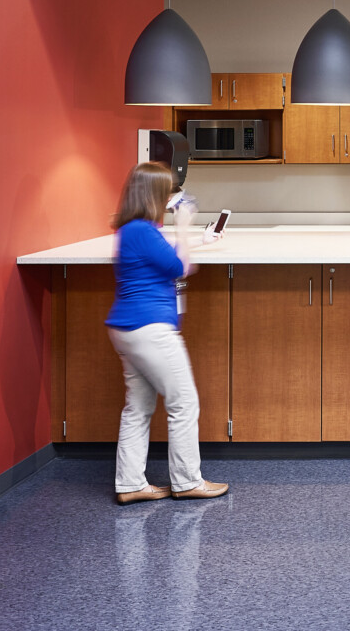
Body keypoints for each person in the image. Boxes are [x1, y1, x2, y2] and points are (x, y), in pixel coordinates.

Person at [105, 161, 228, 504]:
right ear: (154, 195)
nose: (174, 197)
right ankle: (188, 480)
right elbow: (180, 268)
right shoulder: (143, 231)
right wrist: (185, 225)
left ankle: (130, 485)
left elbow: (166, 259)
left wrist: (198, 240)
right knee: (183, 403)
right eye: (170, 192)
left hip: (127, 328)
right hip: (150, 329)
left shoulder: (133, 229)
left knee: (137, 408)